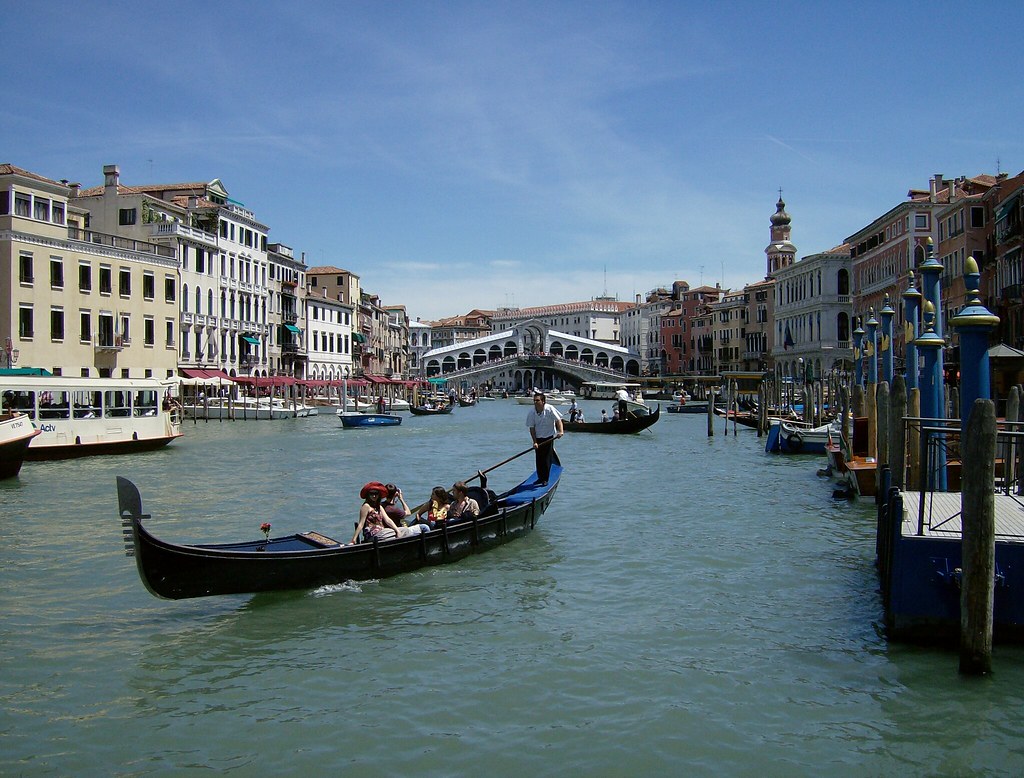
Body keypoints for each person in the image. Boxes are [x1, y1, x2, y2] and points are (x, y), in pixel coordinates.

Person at [351, 482, 427, 544]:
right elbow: (361, 524)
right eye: (371, 494)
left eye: (376, 494)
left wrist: (397, 530)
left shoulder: (379, 506)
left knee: (404, 530)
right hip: (373, 535)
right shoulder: (366, 506)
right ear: (368, 495)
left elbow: (388, 520)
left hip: (383, 532)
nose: (374, 496)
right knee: (398, 533)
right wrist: (353, 540)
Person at [526, 391, 563, 487]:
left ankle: (545, 479)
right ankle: (540, 478)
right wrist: (534, 442)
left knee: (546, 458)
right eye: (534, 400)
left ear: (543, 401)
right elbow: (532, 428)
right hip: (538, 438)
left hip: (549, 437)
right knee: (539, 459)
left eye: (537, 400)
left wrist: (560, 431)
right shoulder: (532, 412)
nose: (535, 402)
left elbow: (558, 420)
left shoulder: (550, 409)